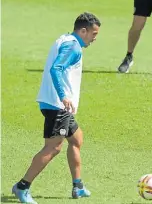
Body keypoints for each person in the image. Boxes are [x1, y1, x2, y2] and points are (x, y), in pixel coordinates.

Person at [12, 12, 101, 204]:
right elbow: (56, 68)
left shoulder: (65, 39)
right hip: (57, 105)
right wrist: (64, 96)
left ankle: (78, 186)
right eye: (93, 34)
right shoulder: (73, 47)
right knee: (53, 148)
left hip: (57, 105)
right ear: (83, 31)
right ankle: (22, 186)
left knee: (77, 139)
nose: (95, 39)